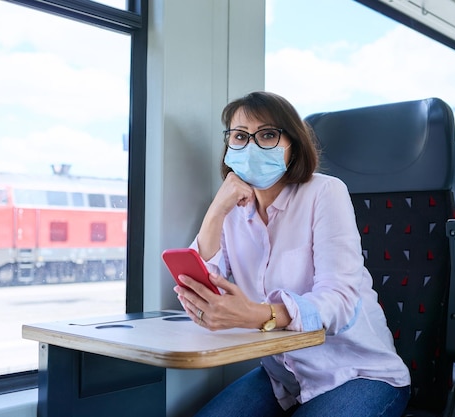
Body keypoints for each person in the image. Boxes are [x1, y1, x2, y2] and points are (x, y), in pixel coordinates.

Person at [174, 91, 411, 417]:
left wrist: (258, 314)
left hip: (357, 371)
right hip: (282, 378)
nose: (252, 146)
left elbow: (340, 301)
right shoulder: (231, 210)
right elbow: (201, 285)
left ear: (293, 145)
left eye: (268, 135)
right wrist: (215, 212)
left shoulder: (325, 192)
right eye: (240, 137)